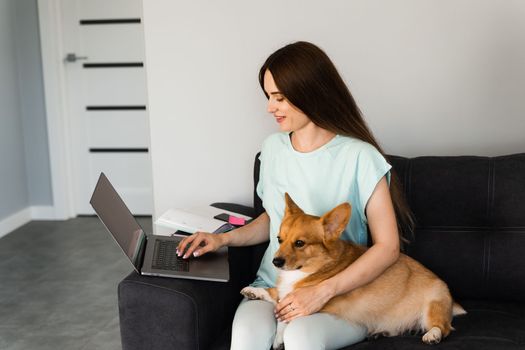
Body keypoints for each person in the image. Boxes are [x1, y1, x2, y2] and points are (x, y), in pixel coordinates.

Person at [177, 41, 414, 350]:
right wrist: (222, 239)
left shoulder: (360, 157)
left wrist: (322, 291)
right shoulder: (273, 150)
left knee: (301, 338)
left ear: (311, 93)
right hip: (273, 285)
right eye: (269, 97)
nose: (270, 107)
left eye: (280, 98)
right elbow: (273, 219)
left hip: (342, 294)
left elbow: (388, 247)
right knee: (247, 337)